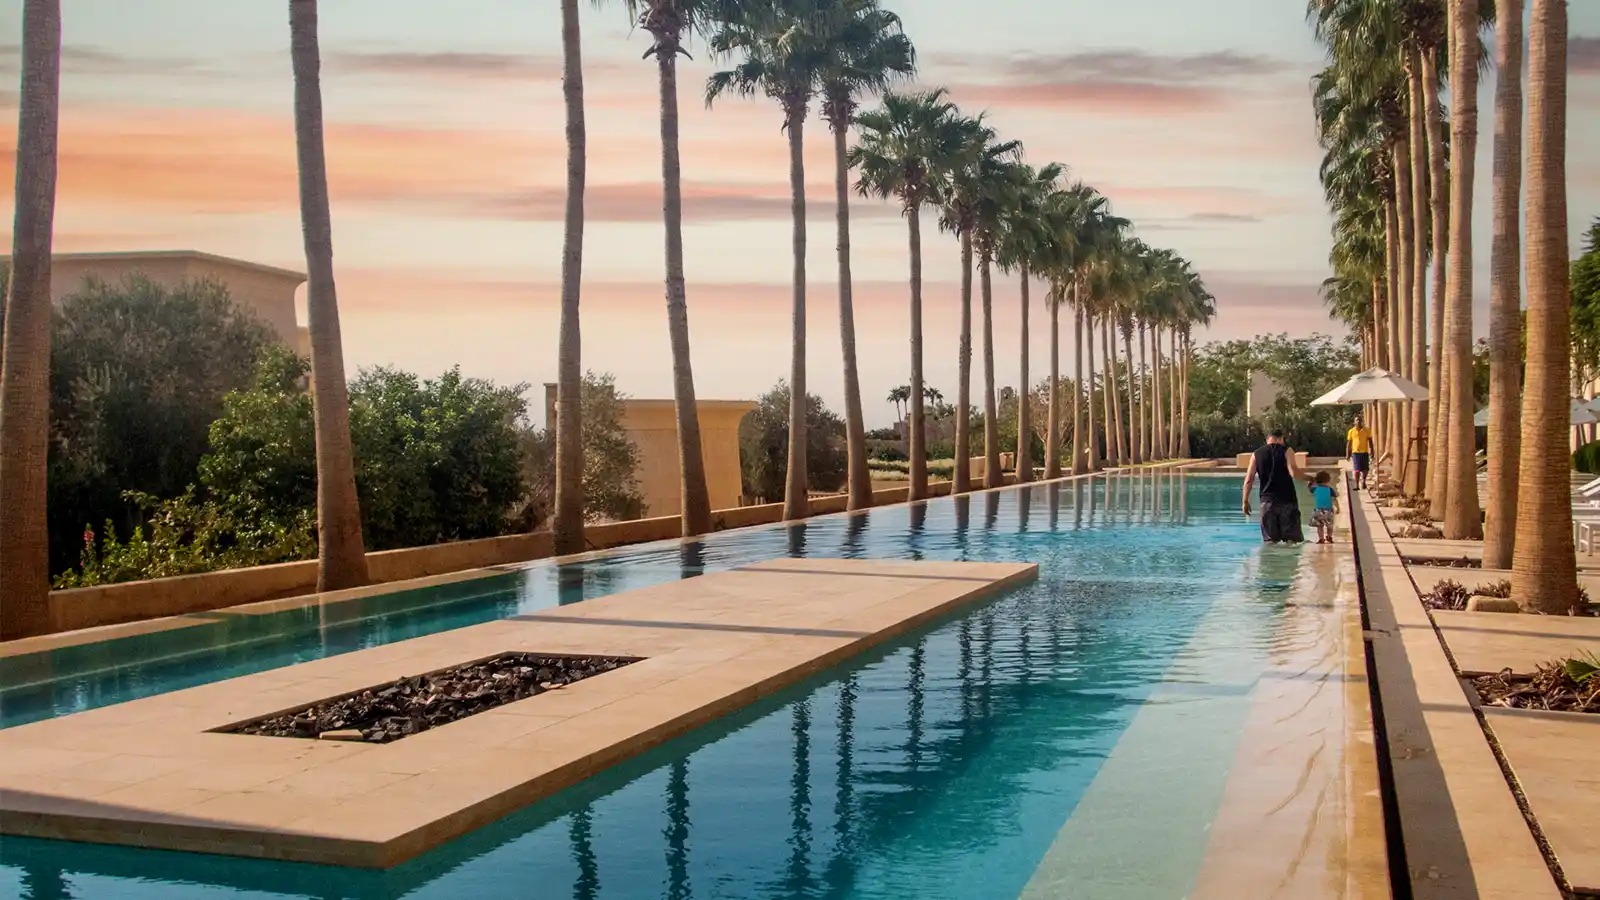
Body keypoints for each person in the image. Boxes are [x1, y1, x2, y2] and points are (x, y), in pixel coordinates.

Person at [1242, 428, 1306, 543]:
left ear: (1267, 439)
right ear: (1281, 439)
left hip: (1267, 503)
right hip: (1287, 502)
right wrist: (1311, 478)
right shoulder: (1287, 450)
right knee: (1292, 541)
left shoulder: (1256, 454)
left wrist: (1245, 501)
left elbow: (1248, 480)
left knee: (1270, 542)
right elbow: (1294, 473)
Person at [1310, 471, 1340, 544]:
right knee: (1329, 526)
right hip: (1328, 510)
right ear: (1328, 480)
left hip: (1318, 510)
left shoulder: (1315, 489)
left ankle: (1321, 539)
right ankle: (1329, 537)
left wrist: (1311, 482)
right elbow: (1334, 499)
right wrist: (1338, 507)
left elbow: (1309, 488)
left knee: (1319, 526)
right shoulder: (1330, 489)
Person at [1345, 415, 1373, 490]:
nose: (1358, 421)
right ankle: (1357, 485)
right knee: (1357, 469)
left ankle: (1363, 481)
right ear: (1354, 422)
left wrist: (1372, 451)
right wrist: (1348, 454)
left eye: (1360, 420)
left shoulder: (1366, 430)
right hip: (1355, 453)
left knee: (1365, 469)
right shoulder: (1351, 431)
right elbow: (1349, 443)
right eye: (1357, 420)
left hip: (1364, 452)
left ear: (1362, 421)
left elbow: (1370, 441)